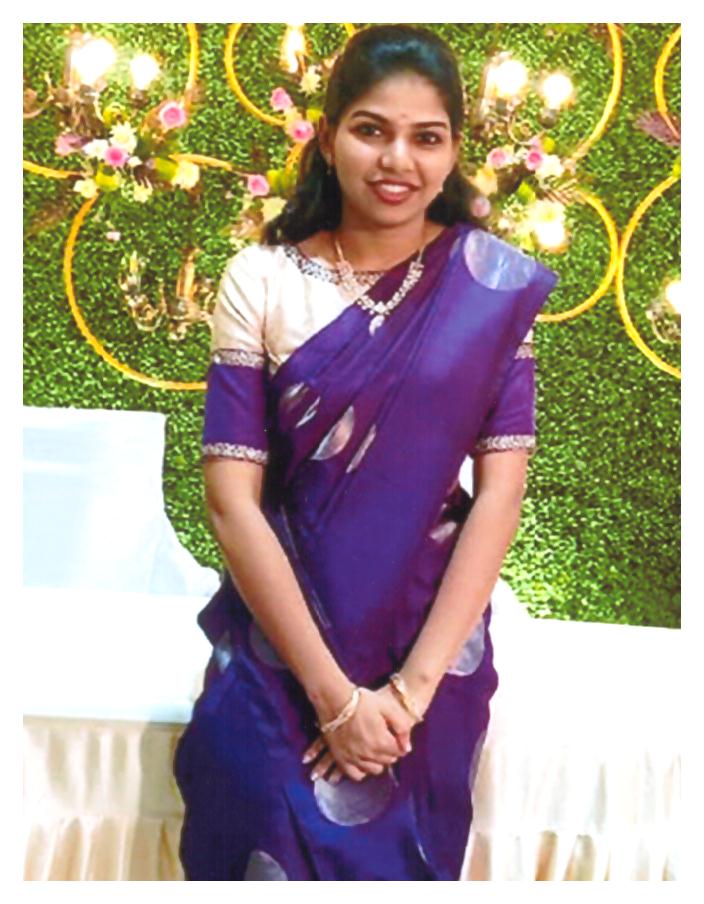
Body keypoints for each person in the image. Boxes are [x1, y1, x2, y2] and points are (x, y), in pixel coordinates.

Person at [173, 23, 559, 881]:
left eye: (427, 138)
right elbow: (231, 500)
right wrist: (333, 698)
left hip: (426, 643)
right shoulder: (262, 279)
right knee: (255, 806)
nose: (398, 161)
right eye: (372, 130)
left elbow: (499, 496)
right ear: (328, 135)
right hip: (284, 636)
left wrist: (409, 696)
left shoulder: (489, 288)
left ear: (454, 151)